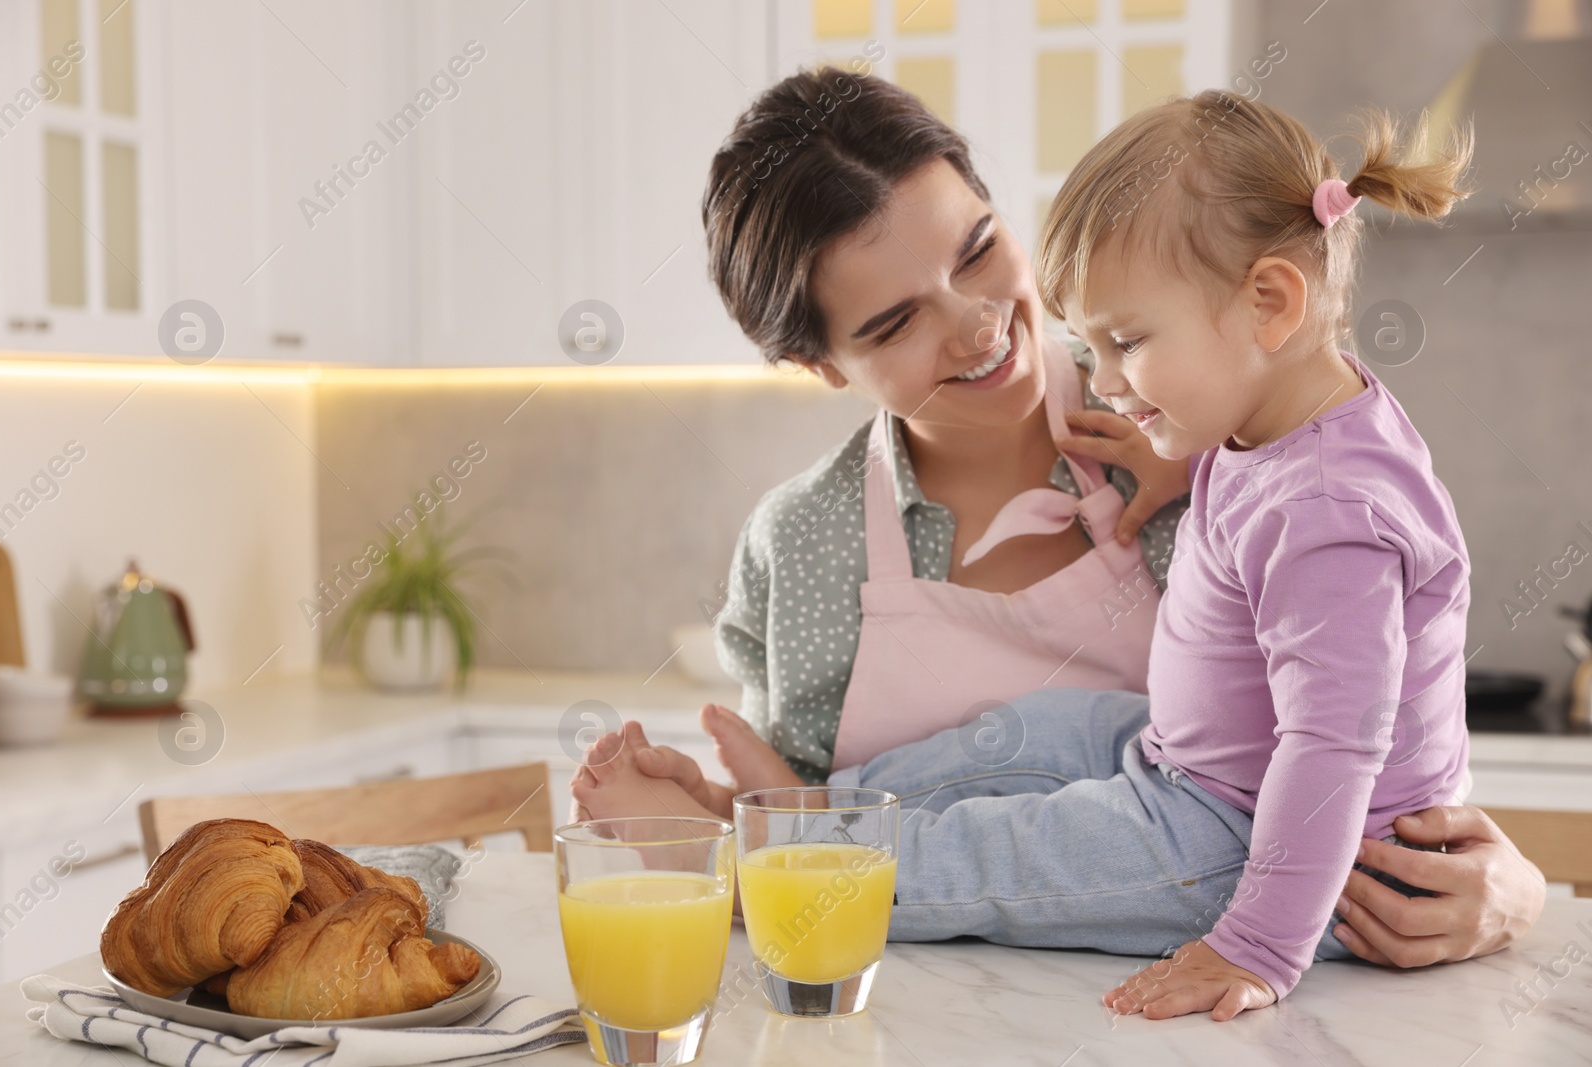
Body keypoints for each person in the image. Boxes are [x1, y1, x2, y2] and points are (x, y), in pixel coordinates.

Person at [571, 72, 1545, 987]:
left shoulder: (1196, 410)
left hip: (1224, 945)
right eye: (893, 322)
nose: (979, 325)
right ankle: (786, 834)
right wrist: (768, 808)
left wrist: (1512, 892)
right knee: (1034, 734)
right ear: (820, 363)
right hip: (930, 1010)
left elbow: (1353, 747)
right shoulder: (807, 543)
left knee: (1025, 830)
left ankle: (768, 854)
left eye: (978, 247)